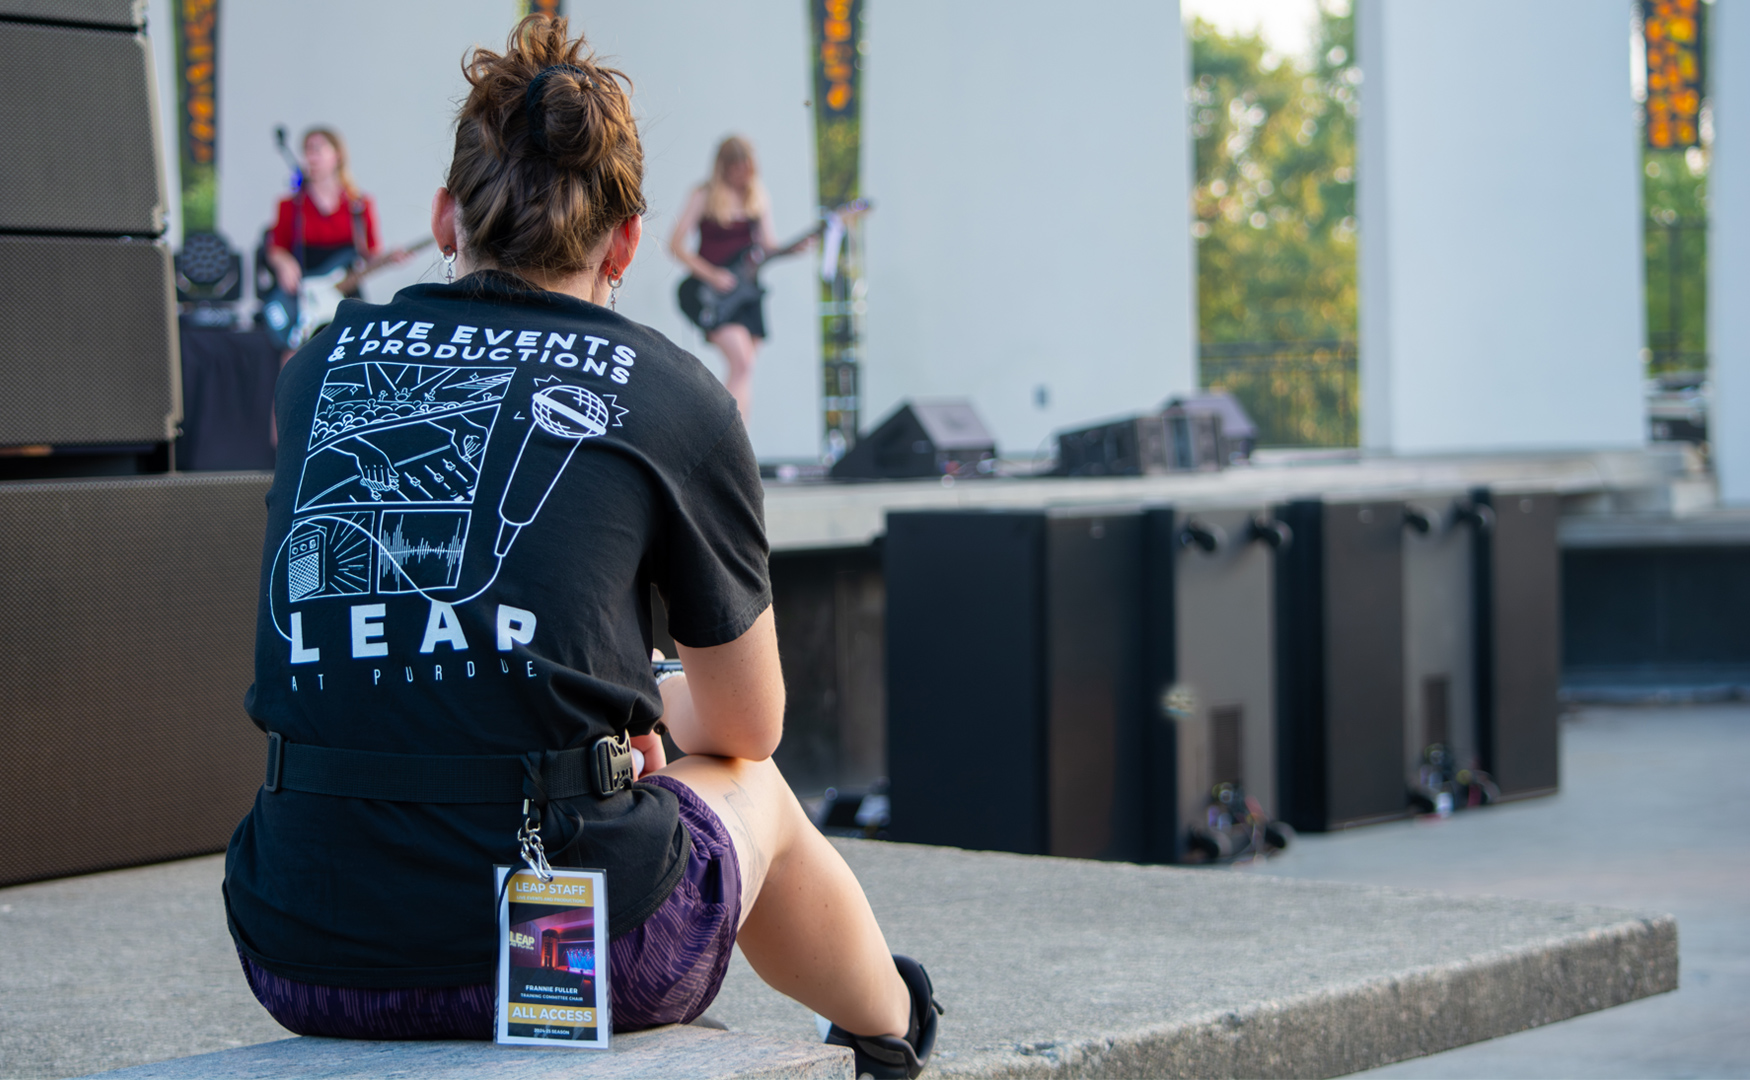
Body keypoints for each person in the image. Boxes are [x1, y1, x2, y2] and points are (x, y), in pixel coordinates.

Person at [222, 15, 940, 1079]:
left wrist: (581, 710)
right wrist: (629, 708)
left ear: (442, 219)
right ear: (626, 240)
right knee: (754, 790)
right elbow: (750, 722)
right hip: (569, 951)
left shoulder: (317, 368)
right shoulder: (674, 394)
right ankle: (896, 1026)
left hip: (300, 941)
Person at [669, 136, 792, 424]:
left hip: (746, 294)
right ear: (724, 167)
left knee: (744, 371)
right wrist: (712, 274)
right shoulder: (703, 195)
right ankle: (725, 441)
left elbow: (768, 246)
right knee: (743, 363)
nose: (743, 176)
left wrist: (794, 249)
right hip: (713, 293)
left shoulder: (757, 197)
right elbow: (675, 245)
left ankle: (739, 444)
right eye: (738, 169)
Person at [263, 128, 383, 296]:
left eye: (317, 149)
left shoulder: (359, 205)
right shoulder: (290, 205)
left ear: (337, 155)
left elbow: (371, 253)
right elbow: (276, 248)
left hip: (346, 294)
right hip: (306, 295)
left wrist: (391, 258)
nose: (311, 157)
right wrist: (284, 262)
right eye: (307, 150)